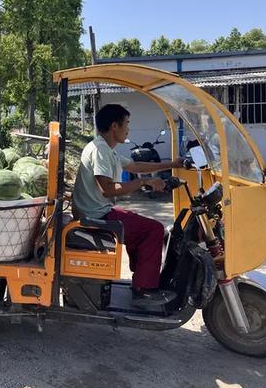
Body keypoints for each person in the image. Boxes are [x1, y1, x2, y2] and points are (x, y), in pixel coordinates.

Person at [72, 104, 183, 306]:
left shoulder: (107, 149)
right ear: (115, 126)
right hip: (95, 214)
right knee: (154, 229)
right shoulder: (100, 150)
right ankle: (144, 290)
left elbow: (136, 165)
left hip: (99, 209)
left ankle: (141, 279)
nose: (128, 129)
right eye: (127, 124)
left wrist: (172, 164)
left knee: (143, 225)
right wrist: (143, 182)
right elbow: (108, 189)